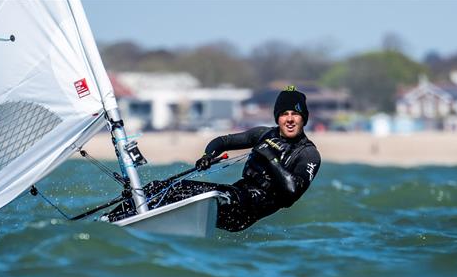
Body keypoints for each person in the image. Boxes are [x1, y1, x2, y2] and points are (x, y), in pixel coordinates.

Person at [107, 86, 321, 232]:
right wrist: (208, 156)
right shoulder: (263, 134)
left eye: (296, 114)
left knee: (186, 192)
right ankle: (111, 221)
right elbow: (222, 141)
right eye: (285, 114)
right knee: (161, 188)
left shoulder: (308, 154)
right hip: (234, 194)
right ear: (278, 117)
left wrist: (270, 158)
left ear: (304, 118)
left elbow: (292, 192)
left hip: (245, 210)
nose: (290, 119)